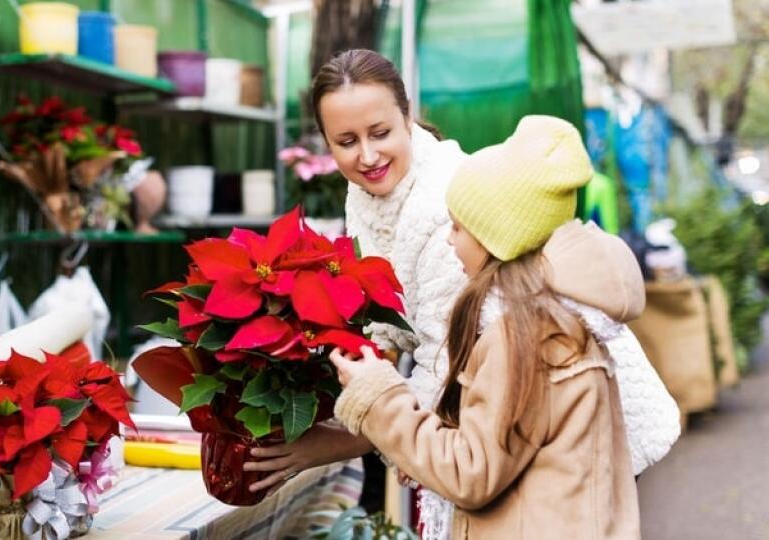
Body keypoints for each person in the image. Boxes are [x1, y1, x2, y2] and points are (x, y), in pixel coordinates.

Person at [245, 49, 678, 531]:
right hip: (507, 425)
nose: (367, 155)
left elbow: (446, 374)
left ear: (407, 116)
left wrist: (347, 433)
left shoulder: (452, 221)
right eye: (346, 141)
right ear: (326, 142)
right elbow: (386, 312)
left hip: (539, 429)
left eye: (381, 133)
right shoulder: (369, 191)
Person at [331, 115, 641, 539]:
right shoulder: (557, 319)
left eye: (458, 227)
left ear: (496, 238)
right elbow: (504, 447)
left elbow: (471, 472)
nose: (449, 240)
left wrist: (379, 395)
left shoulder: (521, 340)